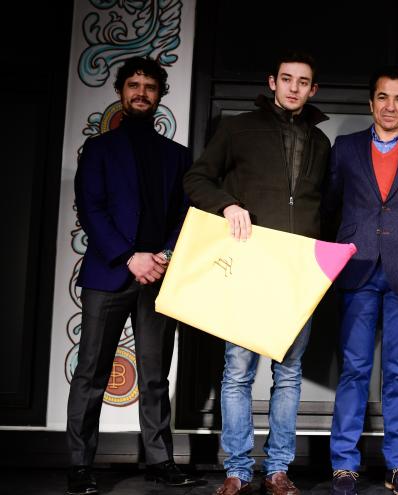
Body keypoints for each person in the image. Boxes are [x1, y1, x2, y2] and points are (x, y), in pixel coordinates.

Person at [183, 51, 330, 495]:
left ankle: (279, 470)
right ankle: (237, 471)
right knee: (238, 372)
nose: (293, 88)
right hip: (248, 268)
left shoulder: (321, 142)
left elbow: (327, 204)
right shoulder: (237, 128)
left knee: (288, 373)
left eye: (303, 82)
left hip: (297, 272)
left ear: (312, 89)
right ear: (272, 81)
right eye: (286, 79)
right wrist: (228, 204)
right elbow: (196, 180)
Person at [68, 56, 196, 495]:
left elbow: (186, 214)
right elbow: (91, 209)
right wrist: (129, 256)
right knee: (91, 373)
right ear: (121, 91)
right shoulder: (98, 150)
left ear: (160, 95)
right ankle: (80, 465)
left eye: (149, 87)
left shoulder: (177, 156)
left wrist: (161, 255)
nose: (141, 92)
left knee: (156, 373)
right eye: (133, 85)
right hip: (108, 274)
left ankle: (160, 461)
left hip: (159, 275)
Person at [324, 66, 398, 495]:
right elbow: (331, 209)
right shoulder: (344, 148)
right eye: (382, 97)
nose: (390, 106)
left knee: (396, 373)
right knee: (354, 370)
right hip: (356, 272)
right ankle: (344, 465)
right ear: (370, 102)